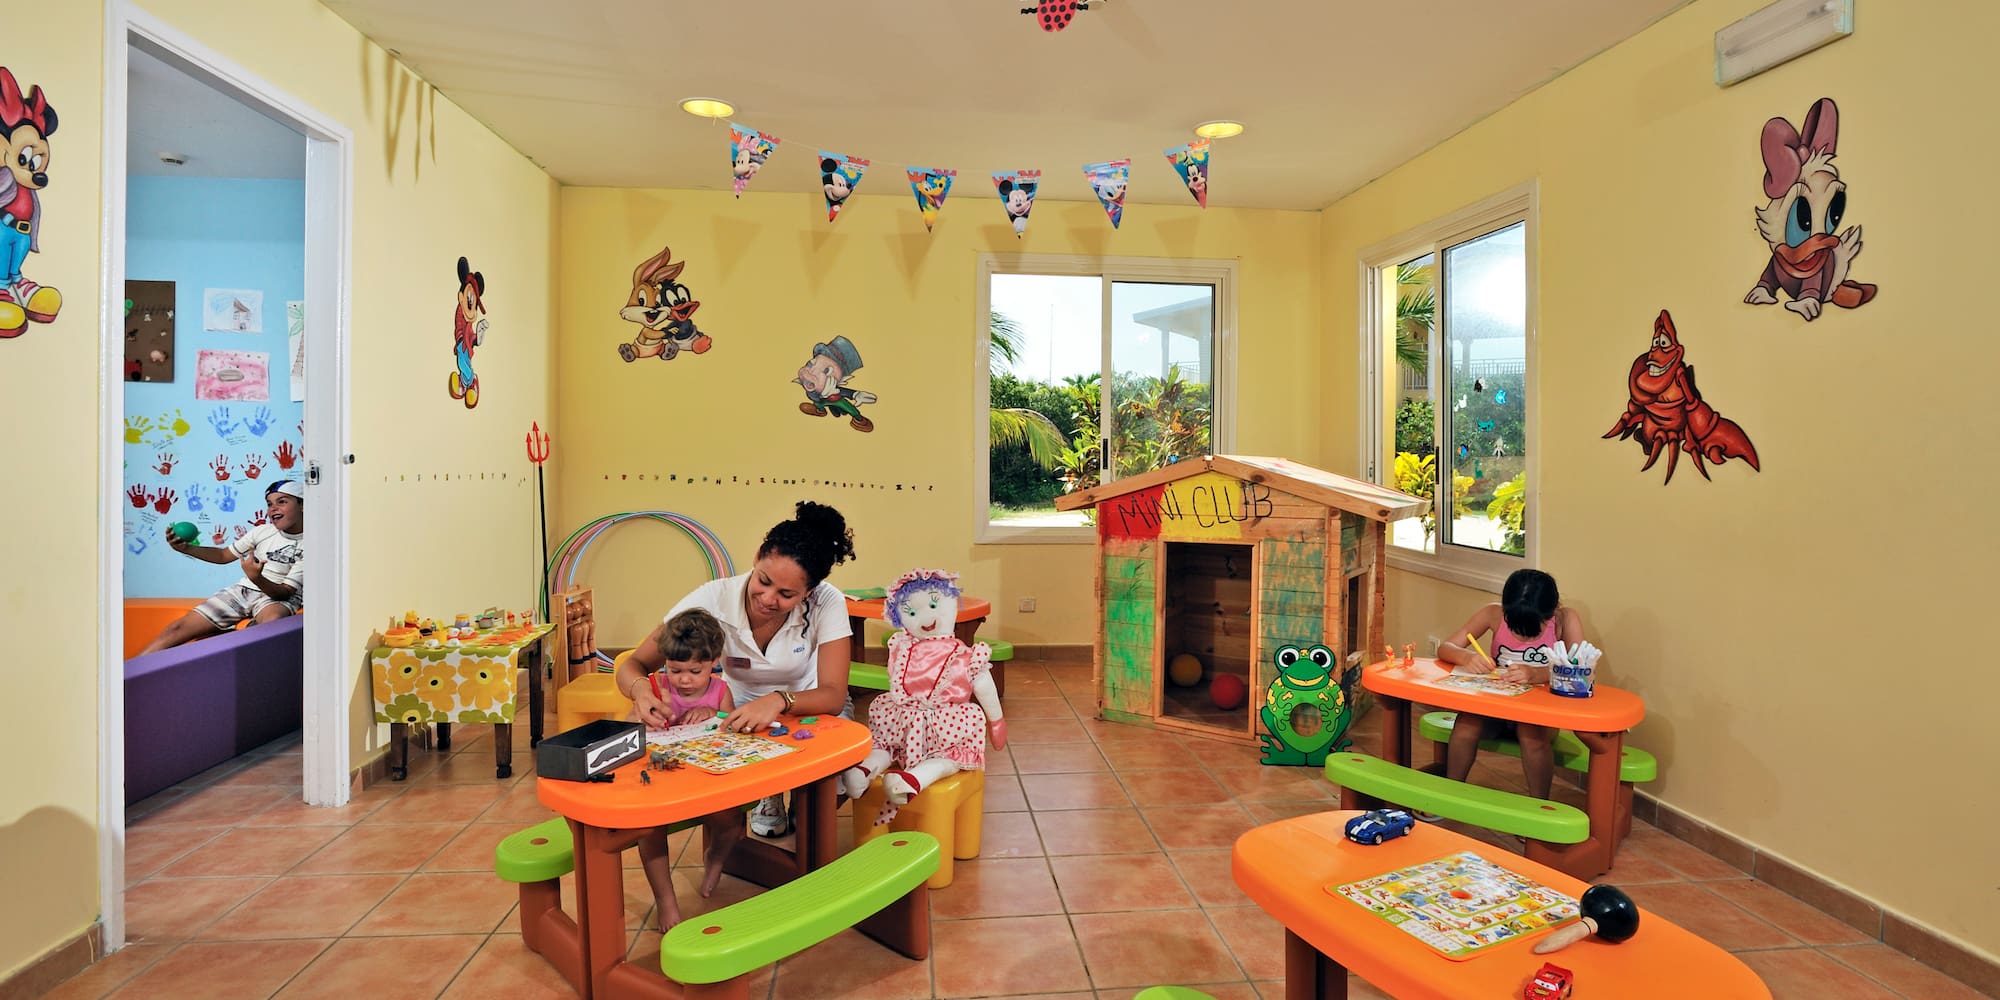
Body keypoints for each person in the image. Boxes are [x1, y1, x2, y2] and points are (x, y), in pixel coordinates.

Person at [616, 500, 856, 840]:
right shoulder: (713, 599)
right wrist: (641, 690)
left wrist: (779, 700)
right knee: (721, 788)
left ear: (809, 592)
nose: (768, 599)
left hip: (809, 705)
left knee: (816, 810)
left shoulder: (827, 601)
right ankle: (767, 793)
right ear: (757, 556)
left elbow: (833, 695)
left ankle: (799, 797)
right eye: (764, 581)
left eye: (786, 594)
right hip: (737, 711)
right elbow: (633, 664)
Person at [1433, 568, 1584, 801]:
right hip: (1496, 710)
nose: (1522, 636)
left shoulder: (1565, 619)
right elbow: (1446, 648)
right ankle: (1450, 795)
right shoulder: (1492, 614)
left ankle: (1538, 806)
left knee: (1531, 735)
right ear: (1506, 609)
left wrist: (1538, 674)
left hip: (1538, 716)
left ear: (1551, 612)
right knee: (1465, 724)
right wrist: (1467, 657)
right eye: (1514, 626)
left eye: (1532, 629)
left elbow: (1578, 670)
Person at [625, 608, 734, 929]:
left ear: (714, 662)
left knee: (731, 821)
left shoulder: (720, 691)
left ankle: (716, 857)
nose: (684, 680)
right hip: (663, 782)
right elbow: (628, 725)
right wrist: (641, 718)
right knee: (649, 830)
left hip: (707, 780)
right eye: (675, 670)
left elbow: (731, 728)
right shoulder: (655, 688)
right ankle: (665, 899)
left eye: (695, 671)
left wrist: (711, 713)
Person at [139, 480, 304, 656]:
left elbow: (284, 593)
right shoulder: (262, 531)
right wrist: (186, 548)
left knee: (272, 624)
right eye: (269, 504)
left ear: (302, 505)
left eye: (282, 502)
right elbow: (223, 556)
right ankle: (132, 672)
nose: (273, 509)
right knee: (176, 629)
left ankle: (242, 635)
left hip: (278, 597)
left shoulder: (310, 542)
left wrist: (257, 577)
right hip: (244, 591)